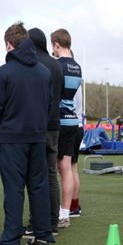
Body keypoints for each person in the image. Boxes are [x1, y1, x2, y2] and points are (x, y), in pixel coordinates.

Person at [0, 22, 55, 245]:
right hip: (37, 136)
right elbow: (50, 105)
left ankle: (10, 240)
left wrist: (8, 122)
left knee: (14, 190)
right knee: (39, 186)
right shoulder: (44, 72)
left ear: (8, 44)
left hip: (12, 139)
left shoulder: (3, 72)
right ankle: (43, 234)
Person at [22, 27, 64, 238]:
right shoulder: (56, 64)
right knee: (50, 175)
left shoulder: (33, 63)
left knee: (35, 177)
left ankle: (34, 224)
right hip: (55, 126)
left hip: (37, 127)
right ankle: (53, 223)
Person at [50, 28, 82, 228]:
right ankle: (65, 212)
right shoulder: (77, 66)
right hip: (73, 120)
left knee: (52, 169)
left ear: (56, 44)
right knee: (68, 169)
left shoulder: (56, 65)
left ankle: (55, 213)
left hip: (59, 120)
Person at [70, 86, 83, 217]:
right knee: (72, 168)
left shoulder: (66, 77)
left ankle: (72, 207)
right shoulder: (76, 78)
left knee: (68, 169)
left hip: (70, 126)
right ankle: (73, 206)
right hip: (78, 126)